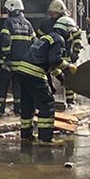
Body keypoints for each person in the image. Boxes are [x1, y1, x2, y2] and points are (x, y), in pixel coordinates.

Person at [13, 15, 78, 146]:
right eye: (70, 32)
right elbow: (55, 60)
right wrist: (69, 66)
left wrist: (61, 78)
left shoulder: (46, 37)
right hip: (35, 73)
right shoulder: (59, 40)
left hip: (23, 71)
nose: (70, 35)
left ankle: (26, 135)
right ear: (65, 30)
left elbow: (49, 63)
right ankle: (46, 138)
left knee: (28, 103)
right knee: (47, 104)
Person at [0, 0, 34, 117]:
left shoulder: (8, 23)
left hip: (10, 61)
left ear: (12, 9)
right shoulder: (28, 24)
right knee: (18, 85)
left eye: (7, 10)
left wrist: (5, 57)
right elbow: (34, 42)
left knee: (3, 84)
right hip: (23, 63)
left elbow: (5, 40)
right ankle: (18, 109)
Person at [41, 0, 83, 109]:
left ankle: (70, 102)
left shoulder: (68, 21)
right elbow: (40, 36)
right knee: (50, 73)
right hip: (53, 54)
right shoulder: (47, 23)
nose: (53, 14)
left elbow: (78, 37)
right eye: (52, 12)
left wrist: (76, 52)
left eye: (55, 12)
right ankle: (50, 97)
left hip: (67, 54)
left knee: (69, 77)